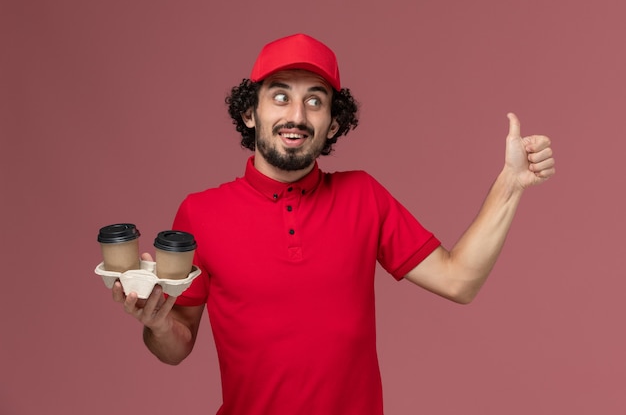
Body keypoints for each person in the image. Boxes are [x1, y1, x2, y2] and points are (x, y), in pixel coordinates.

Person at [112, 33, 555, 415]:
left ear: (333, 123)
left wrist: (510, 184)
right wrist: (157, 324)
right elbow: (177, 346)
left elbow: (460, 280)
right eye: (280, 96)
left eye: (315, 101)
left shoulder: (364, 196)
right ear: (251, 113)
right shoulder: (200, 213)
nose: (297, 116)